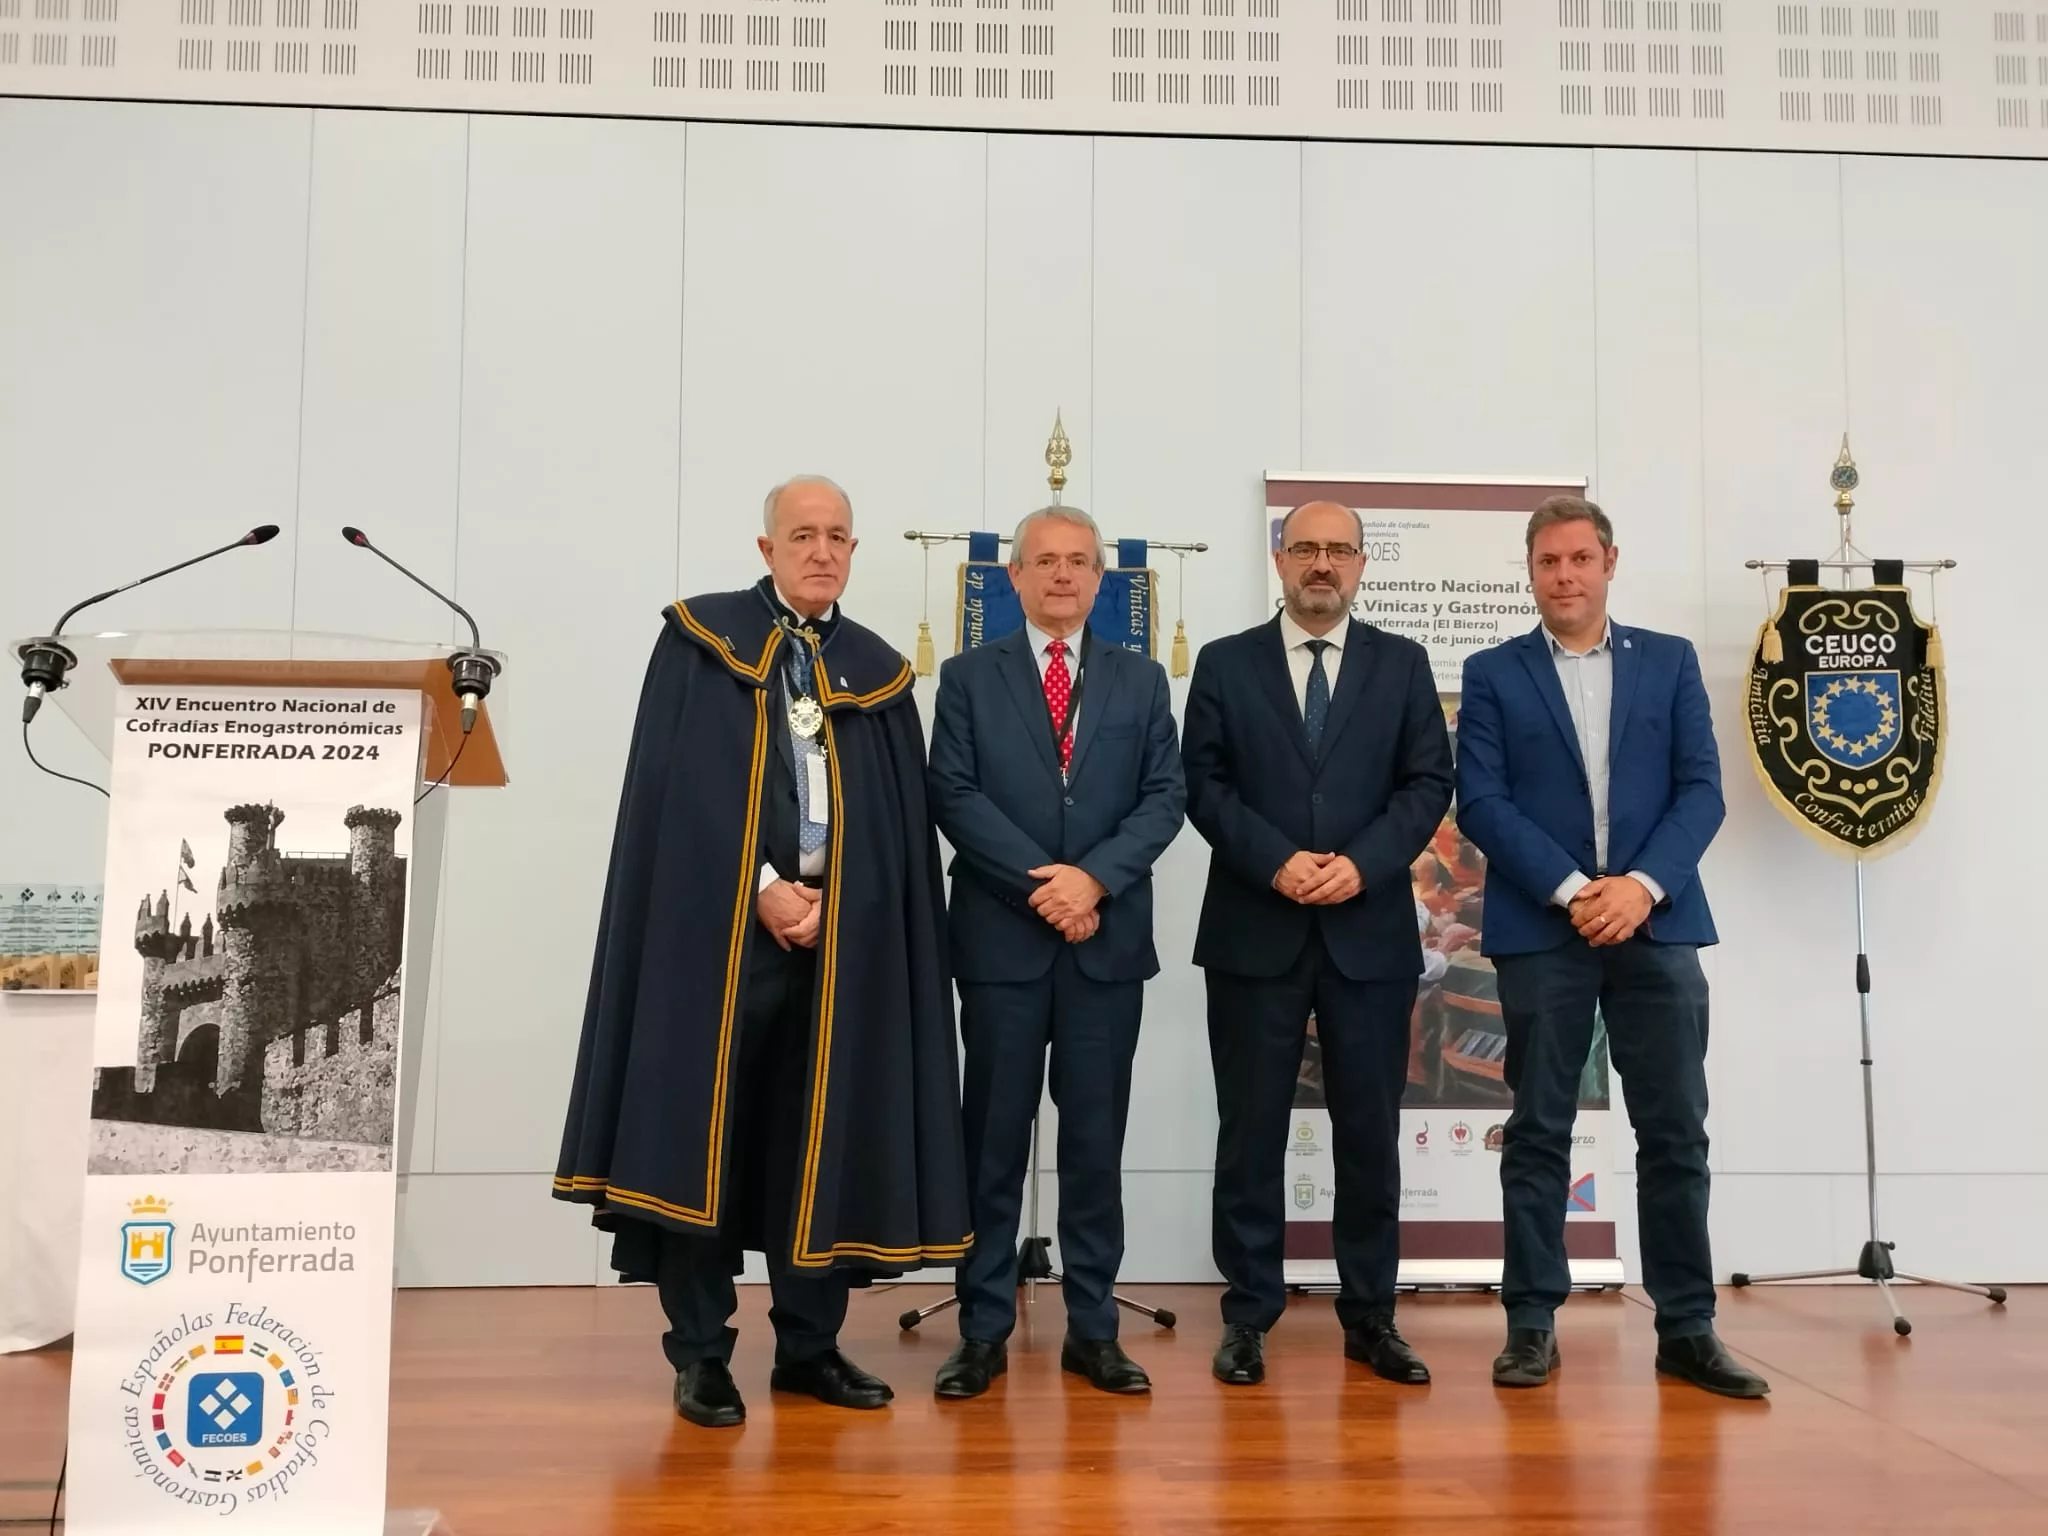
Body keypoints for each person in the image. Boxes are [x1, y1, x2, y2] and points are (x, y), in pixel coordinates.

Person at [553, 475, 972, 1427]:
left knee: (819, 1142)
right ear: (766, 546)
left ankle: (810, 1349)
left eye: (837, 537)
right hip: (718, 940)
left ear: (854, 552)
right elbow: (675, 799)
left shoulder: (877, 671)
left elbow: (903, 826)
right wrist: (762, 890)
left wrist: (841, 899)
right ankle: (702, 1354)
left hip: (841, 942)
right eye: (802, 535)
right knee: (710, 1140)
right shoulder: (701, 645)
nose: (821, 551)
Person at [1455, 493, 1768, 1398]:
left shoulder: (1668, 664)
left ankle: (1688, 1328)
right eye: (1548, 562)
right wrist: (1572, 891)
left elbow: (1702, 791)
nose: (1565, 576)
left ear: (1610, 563)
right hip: (1543, 930)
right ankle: (1530, 1325)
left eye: (1580, 559)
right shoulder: (1493, 672)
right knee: (1538, 1131)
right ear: (1531, 571)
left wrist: (1639, 888)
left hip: (1659, 924)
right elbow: (1482, 801)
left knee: (1674, 1133)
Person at [1182, 500, 1454, 1389]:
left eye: (1339, 549)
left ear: (1363, 564)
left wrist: (1361, 867)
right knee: (1249, 1133)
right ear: (1279, 557)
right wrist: (1278, 862)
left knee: (1369, 1137)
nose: (1323, 564)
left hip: (1367, 933)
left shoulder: (1404, 665)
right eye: (1307, 548)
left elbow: (1427, 784)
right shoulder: (1225, 664)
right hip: (1255, 928)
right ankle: (1248, 1317)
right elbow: (1203, 784)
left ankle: (1371, 1318)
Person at [926, 505, 1186, 1399]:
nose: (1064, 576)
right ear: (1016, 578)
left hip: (1103, 948)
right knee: (990, 1144)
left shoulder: (1142, 679)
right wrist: (1047, 885)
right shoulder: (966, 677)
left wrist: (1093, 884)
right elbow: (951, 794)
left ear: (1100, 577)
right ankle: (984, 1330)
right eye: (1046, 562)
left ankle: (1093, 1330)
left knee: (1094, 1145)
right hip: (1003, 945)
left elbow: (1163, 799)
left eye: (1080, 562)